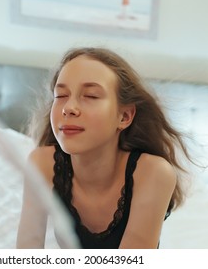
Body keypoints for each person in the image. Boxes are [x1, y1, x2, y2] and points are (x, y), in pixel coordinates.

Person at [17, 47, 192, 249]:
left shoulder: (153, 173)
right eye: (61, 95)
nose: (68, 108)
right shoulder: (43, 164)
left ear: (124, 116)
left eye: (90, 96)